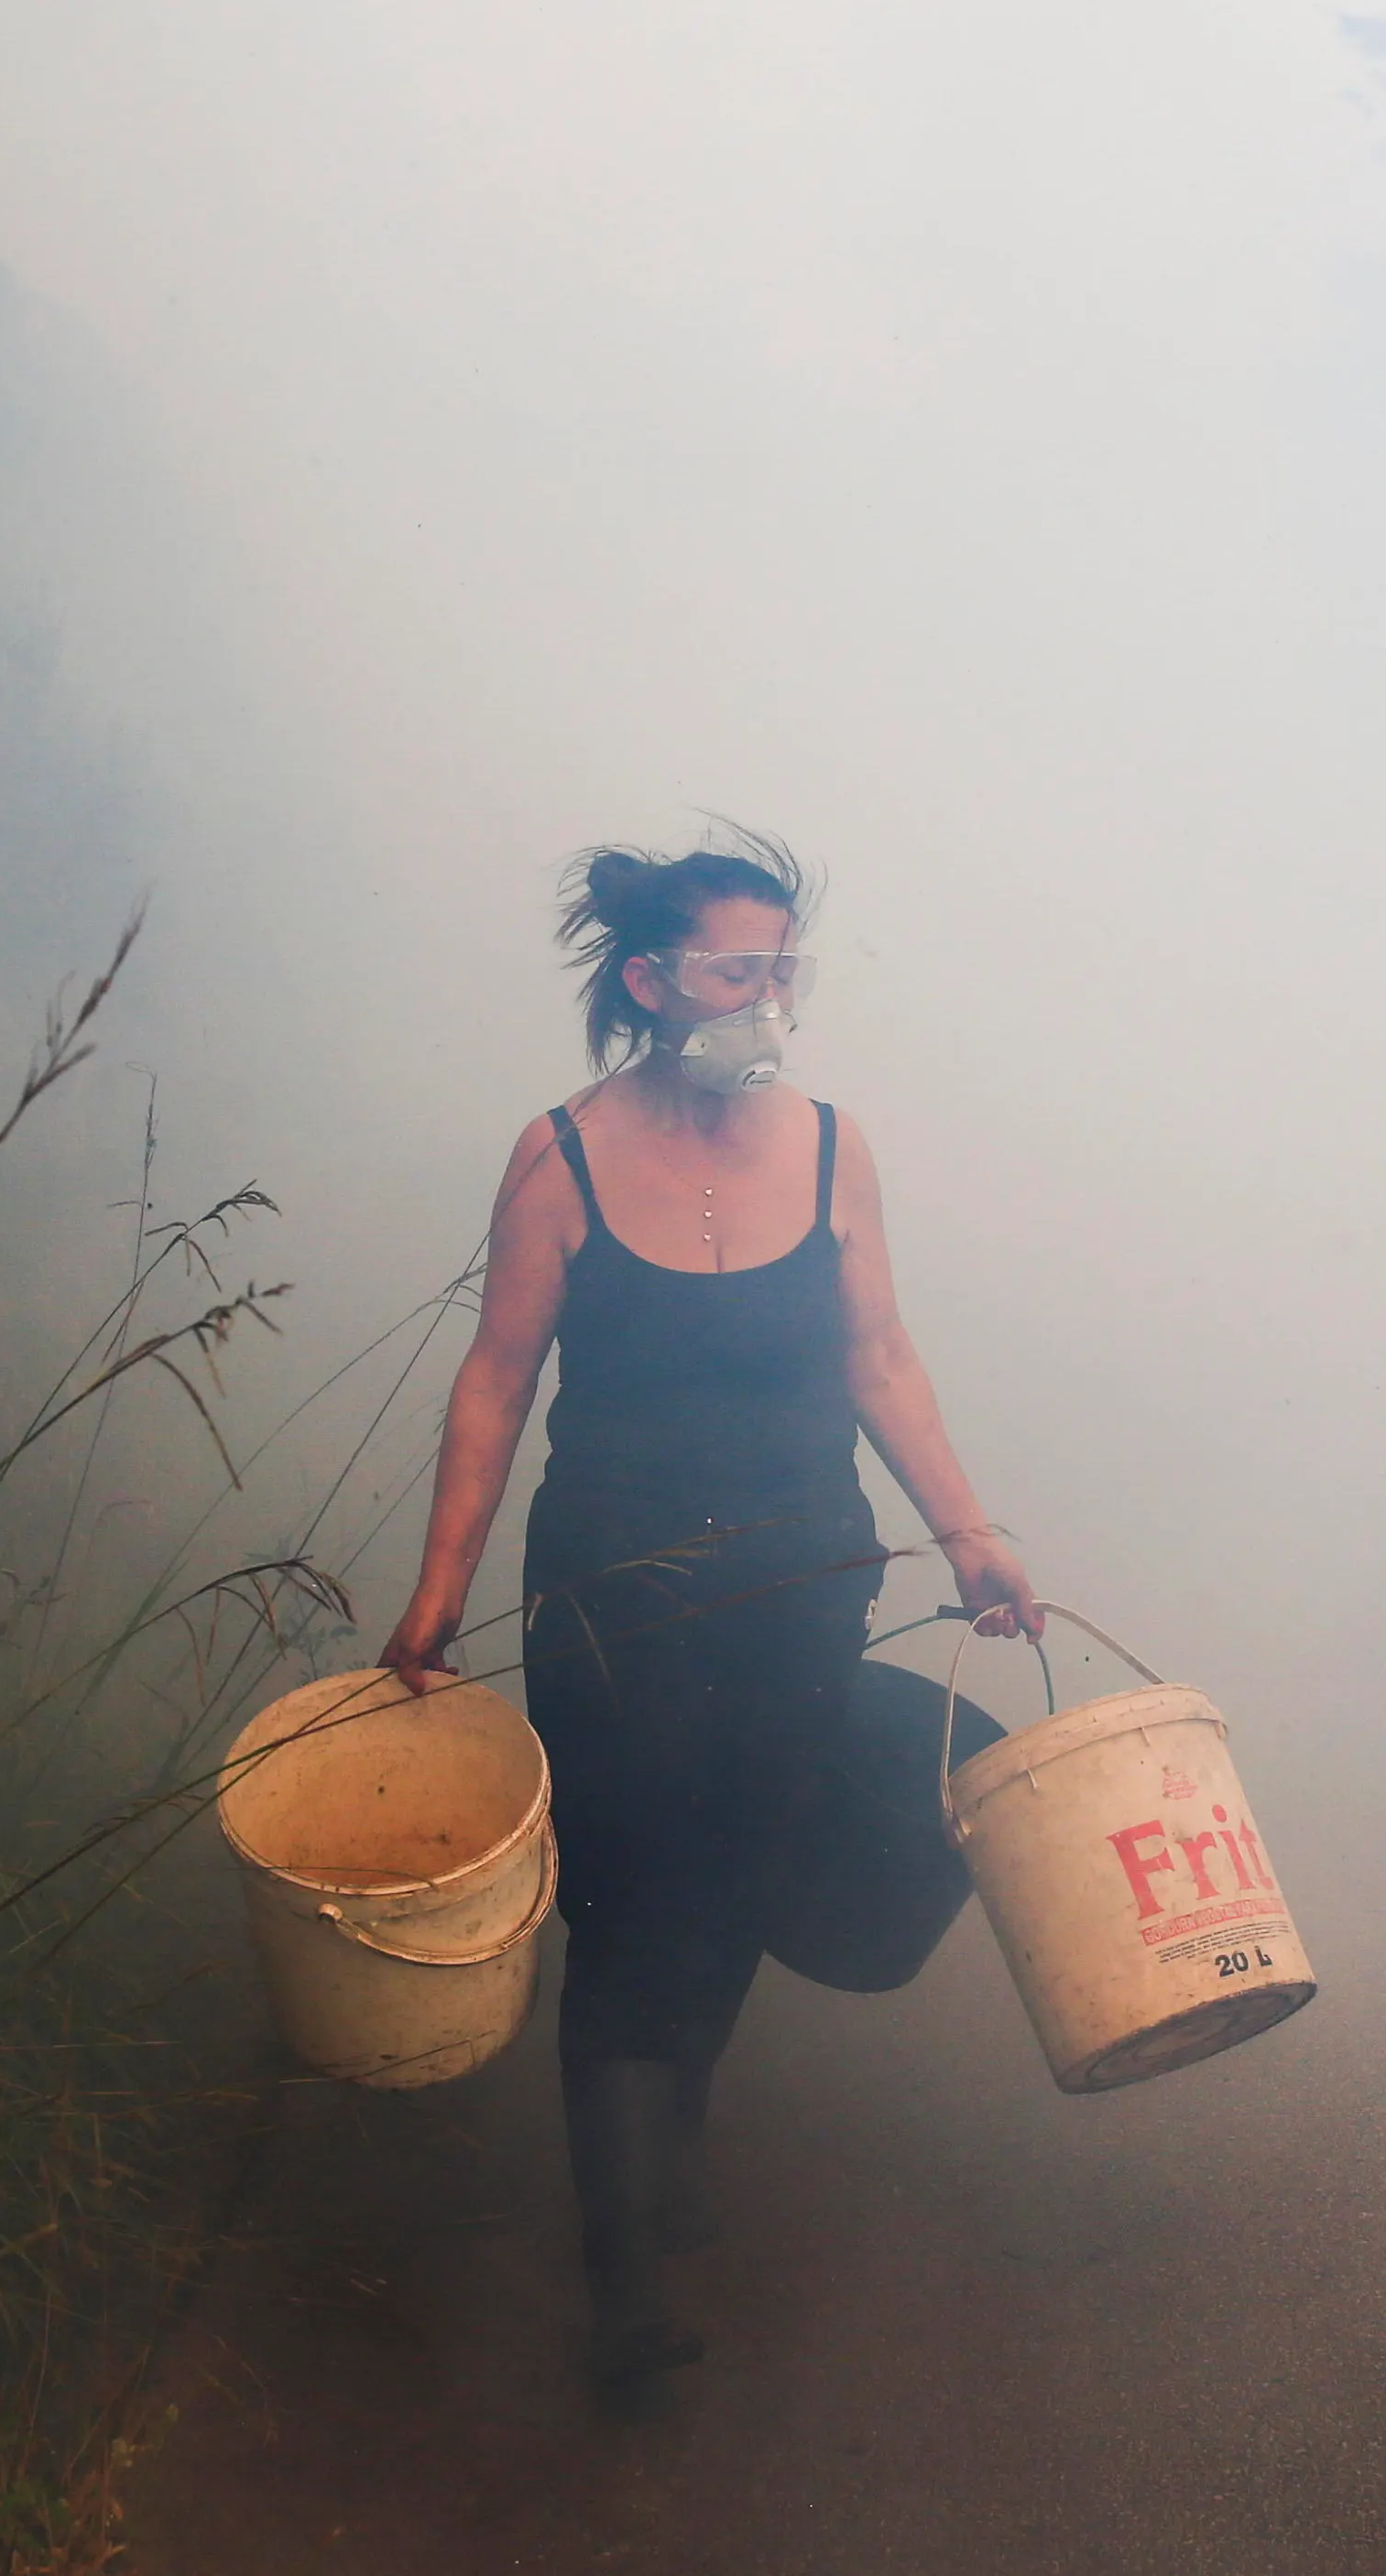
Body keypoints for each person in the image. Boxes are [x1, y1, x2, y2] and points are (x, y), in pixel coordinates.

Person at [380, 827, 1039, 2405]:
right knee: (622, 1918)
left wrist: (968, 1535)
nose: (768, 1001)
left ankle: (671, 2139)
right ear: (651, 982)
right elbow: (496, 1383)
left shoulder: (830, 1148)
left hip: (807, 1578)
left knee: (742, 1880)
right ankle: (619, 2293)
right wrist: (435, 1600)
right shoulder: (559, 1156)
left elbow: (879, 1356)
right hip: (618, 1600)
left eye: (782, 970)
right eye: (739, 970)